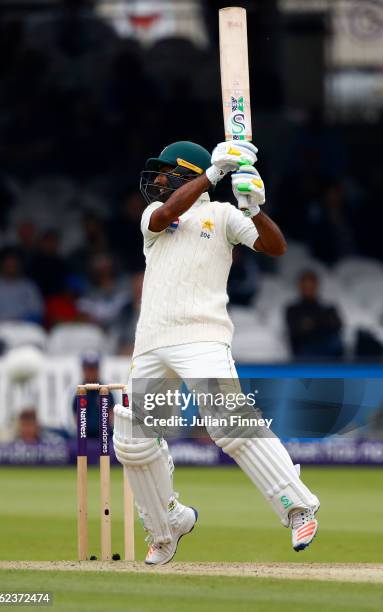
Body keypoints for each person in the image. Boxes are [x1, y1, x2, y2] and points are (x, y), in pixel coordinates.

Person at [112, 140, 320, 565]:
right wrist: (215, 174)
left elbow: (275, 248)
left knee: (228, 422)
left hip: (202, 338)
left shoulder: (222, 216)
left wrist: (253, 207)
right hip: (152, 342)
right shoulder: (155, 215)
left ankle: (298, 506)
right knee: (135, 440)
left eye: (165, 172)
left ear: (186, 173)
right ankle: (167, 526)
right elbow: (169, 213)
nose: (156, 181)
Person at [286, 270, 343, 358]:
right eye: (305, 287)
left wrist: (312, 325)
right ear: (299, 287)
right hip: (304, 354)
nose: (308, 290)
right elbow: (297, 332)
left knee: (335, 343)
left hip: (329, 354)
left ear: (316, 286)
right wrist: (323, 324)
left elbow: (338, 326)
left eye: (311, 287)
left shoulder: (328, 308)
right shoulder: (293, 310)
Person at [0, 248, 43, 325]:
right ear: (1, 265)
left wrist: (19, 321)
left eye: (14, 264)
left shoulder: (29, 286)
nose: (11, 267)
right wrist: (3, 321)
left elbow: (37, 311)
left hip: (23, 328)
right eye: (8, 264)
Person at [72, 351, 114, 437]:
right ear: (83, 370)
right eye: (88, 369)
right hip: (84, 438)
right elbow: (76, 416)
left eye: (93, 369)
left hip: (104, 437)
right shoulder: (79, 392)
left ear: (98, 370)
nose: (91, 372)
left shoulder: (105, 391)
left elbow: (110, 414)